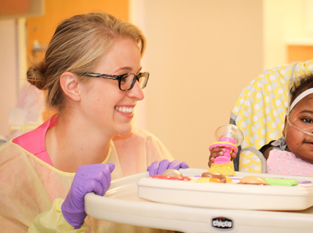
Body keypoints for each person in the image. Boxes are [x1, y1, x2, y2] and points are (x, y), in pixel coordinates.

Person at [0, 12, 187, 232]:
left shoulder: (145, 150)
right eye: (123, 78)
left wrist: (178, 207)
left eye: (137, 77)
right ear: (72, 86)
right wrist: (65, 220)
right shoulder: (12, 171)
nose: (138, 93)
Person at [209, 69, 313, 179]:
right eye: (307, 120)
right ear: (286, 125)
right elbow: (236, 186)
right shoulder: (269, 156)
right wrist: (221, 165)